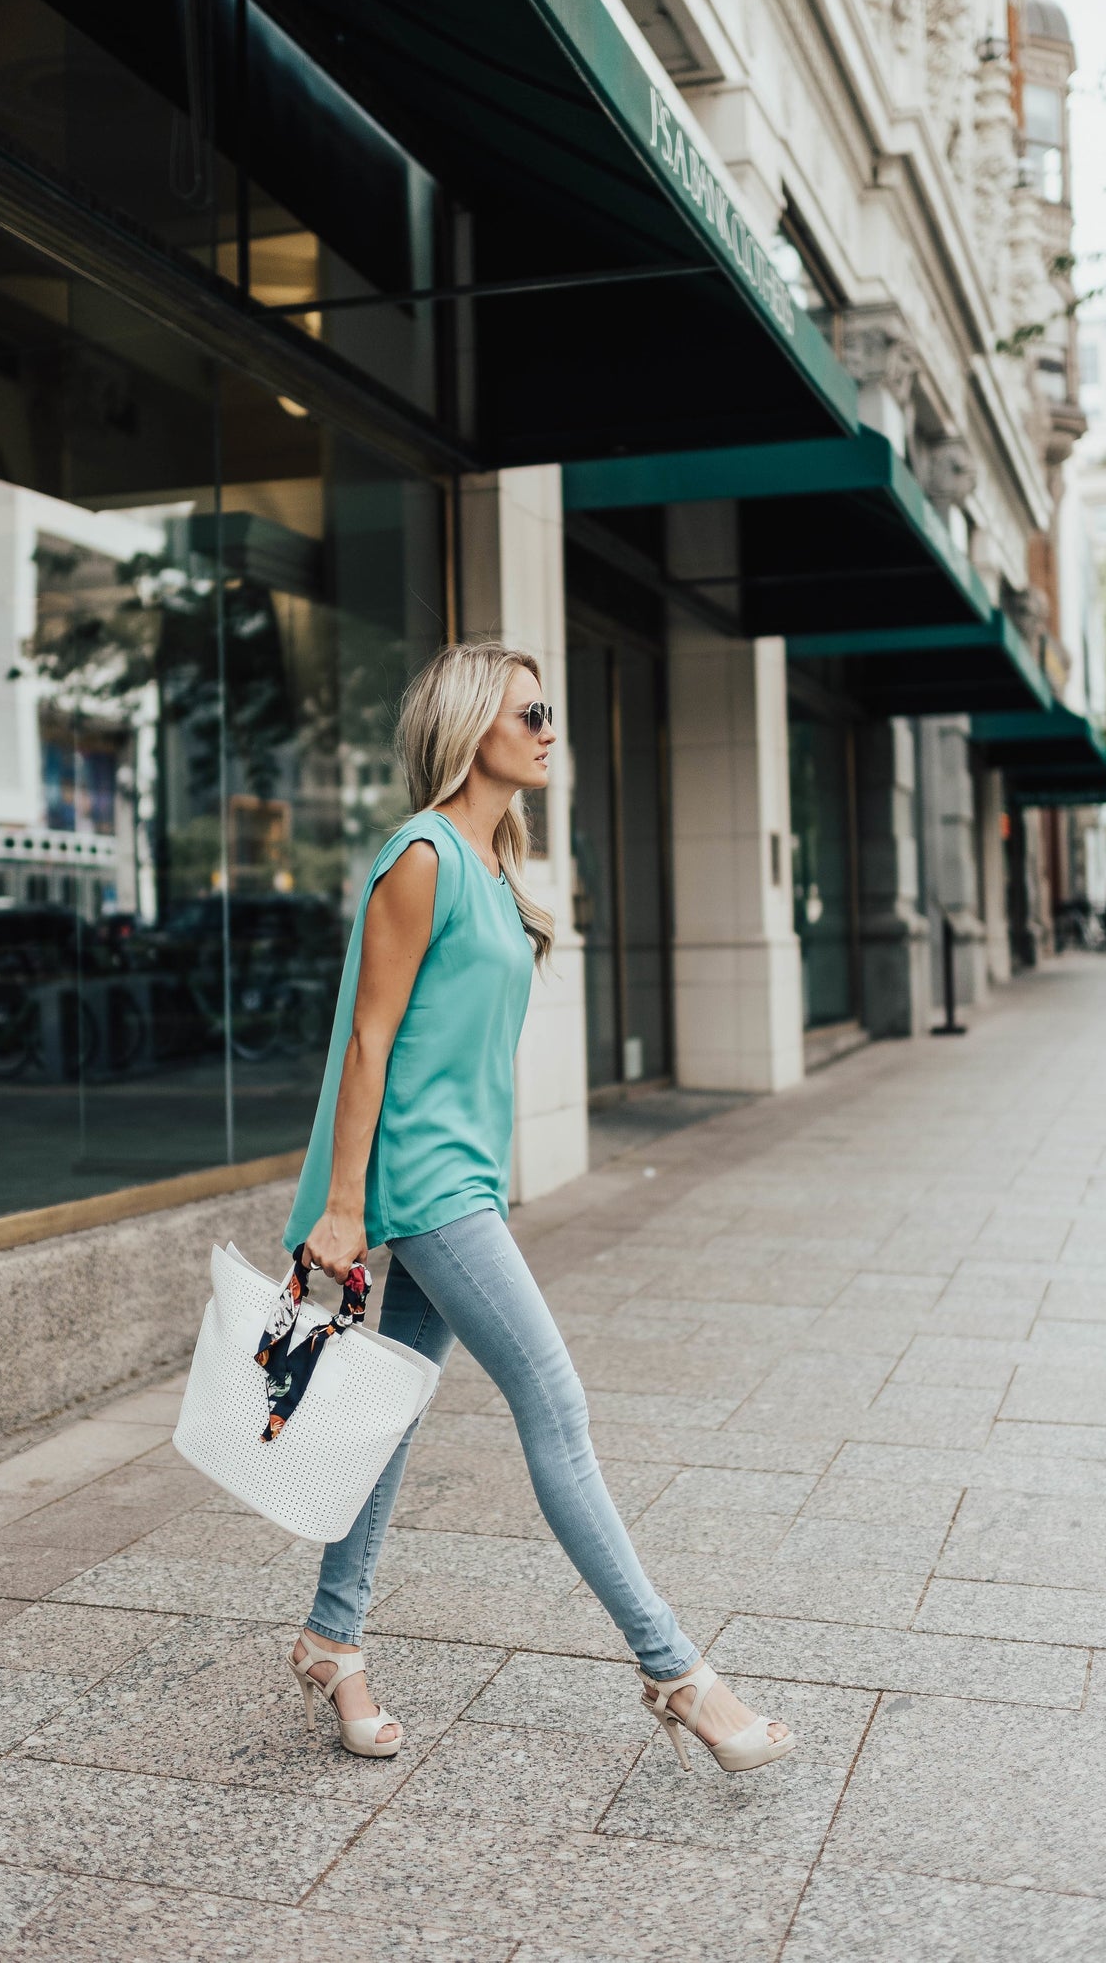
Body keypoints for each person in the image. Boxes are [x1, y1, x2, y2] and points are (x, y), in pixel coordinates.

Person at [277, 642, 794, 1775]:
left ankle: (331, 1635)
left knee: (388, 1410)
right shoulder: (419, 854)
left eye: (547, 709)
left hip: (457, 1177)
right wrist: (343, 1209)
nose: (550, 726)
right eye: (532, 710)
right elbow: (367, 1040)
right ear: (476, 728)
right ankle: (678, 1674)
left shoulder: (490, 862)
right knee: (554, 1403)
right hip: (421, 1186)